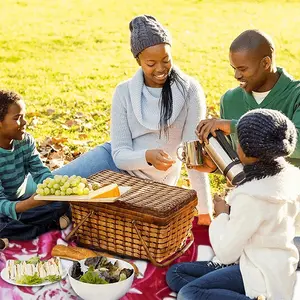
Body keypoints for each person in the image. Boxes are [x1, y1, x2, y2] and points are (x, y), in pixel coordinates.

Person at [50, 15, 212, 224]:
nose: (161, 69)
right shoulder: (124, 91)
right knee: (49, 189)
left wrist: (205, 210)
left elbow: (193, 156)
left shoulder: (190, 91)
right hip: (112, 163)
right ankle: (11, 215)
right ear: (138, 60)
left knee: (71, 209)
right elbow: (119, 155)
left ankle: (59, 217)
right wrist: (146, 156)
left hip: (148, 186)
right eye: (151, 63)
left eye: (166, 60)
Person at [166, 108, 300, 300]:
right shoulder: (291, 177)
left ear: (245, 150)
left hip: (259, 275)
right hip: (275, 266)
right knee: (176, 274)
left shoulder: (251, 196)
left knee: (189, 293)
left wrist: (222, 215)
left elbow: (225, 252)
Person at [194, 29, 300, 261]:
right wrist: (216, 165)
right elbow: (242, 161)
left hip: (289, 207)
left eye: (242, 69)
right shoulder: (230, 99)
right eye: (234, 68)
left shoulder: (296, 94)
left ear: (266, 63)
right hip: (249, 204)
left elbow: (297, 142)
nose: (236, 76)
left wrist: (234, 126)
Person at [0, 90, 70, 241]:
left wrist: (53, 189)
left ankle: (17, 232)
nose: (24, 122)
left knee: (64, 203)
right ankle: (45, 226)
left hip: (21, 201)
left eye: (24, 116)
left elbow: (40, 172)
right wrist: (28, 205)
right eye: (17, 118)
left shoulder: (25, 141)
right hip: (4, 207)